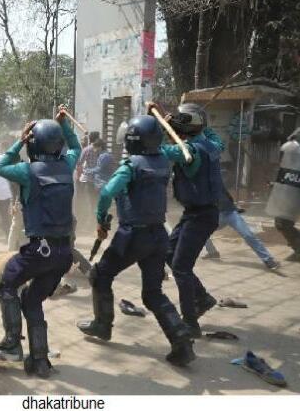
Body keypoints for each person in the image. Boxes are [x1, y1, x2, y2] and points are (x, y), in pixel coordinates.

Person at [76, 115, 195, 366]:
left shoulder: (130, 166)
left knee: (100, 275)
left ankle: (102, 325)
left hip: (133, 236)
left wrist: (101, 219)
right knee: (152, 293)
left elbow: (107, 191)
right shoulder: (163, 160)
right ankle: (181, 339)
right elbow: (176, 149)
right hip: (158, 235)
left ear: (131, 140)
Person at [0, 106, 81, 379]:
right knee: (31, 299)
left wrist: (19, 140)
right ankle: (39, 360)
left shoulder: (28, 172)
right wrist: (64, 125)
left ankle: (12, 344)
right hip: (64, 252)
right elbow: (75, 146)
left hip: (40, 250)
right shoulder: (68, 164)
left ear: (33, 143)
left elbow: (2, 166)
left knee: (6, 284)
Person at [160, 102, 225, 339]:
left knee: (181, 268)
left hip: (201, 215)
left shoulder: (189, 149)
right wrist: (178, 125)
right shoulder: (212, 145)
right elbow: (215, 137)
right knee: (168, 252)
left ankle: (190, 323)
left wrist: (162, 127)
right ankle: (203, 297)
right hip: (199, 213)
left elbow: (161, 151)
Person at [268, 128, 300, 263]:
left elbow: (299, 185)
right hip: (293, 199)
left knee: (283, 223)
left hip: (295, 200)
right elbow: (289, 181)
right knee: (283, 223)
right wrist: (275, 185)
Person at [202, 186, 280, 270]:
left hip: (230, 213)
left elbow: (227, 196)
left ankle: (268, 259)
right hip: (215, 217)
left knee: (248, 235)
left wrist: (235, 207)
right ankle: (212, 252)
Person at [75, 132, 101, 226]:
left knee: (88, 202)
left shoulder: (86, 150)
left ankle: (88, 224)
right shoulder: (100, 150)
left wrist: (79, 176)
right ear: (97, 139)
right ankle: (94, 223)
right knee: (96, 202)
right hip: (98, 180)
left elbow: (79, 163)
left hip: (87, 179)